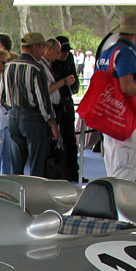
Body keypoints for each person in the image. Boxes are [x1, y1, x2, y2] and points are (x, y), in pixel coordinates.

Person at [94, 13, 136, 181]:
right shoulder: (126, 53)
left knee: (113, 165)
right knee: (124, 170)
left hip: (109, 115)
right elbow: (127, 86)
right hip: (124, 117)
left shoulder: (107, 53)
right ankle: (121, 205)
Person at [0, 31, 59, 177]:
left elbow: (2, 97)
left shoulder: (8, 66)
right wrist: (53, 124)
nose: (43, 52)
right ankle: (34, 195)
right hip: (33, 118)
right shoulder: (36, 69)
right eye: (42, 48)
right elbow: (43, 101)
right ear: (36, 47)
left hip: (13, 116)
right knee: (36, 162)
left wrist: (13, 110)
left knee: (17, 162)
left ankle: (15, 194)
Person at [52, 36, 80, 181]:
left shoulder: (69, 59)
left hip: (67, 101)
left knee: (70, 138)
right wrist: (65, 82)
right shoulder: (50, 63)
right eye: (62, 52)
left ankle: (73, 171)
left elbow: (75, 82)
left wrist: (74, 85)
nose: (65, 55)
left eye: (67, 52)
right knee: (54, 140)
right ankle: (57, 172)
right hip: (55, 105)